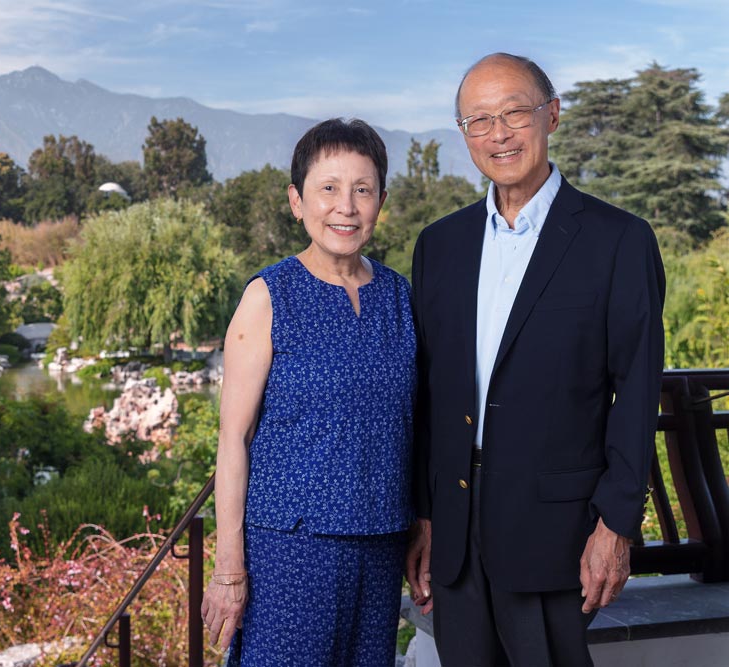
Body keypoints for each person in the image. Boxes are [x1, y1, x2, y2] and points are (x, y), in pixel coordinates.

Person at [406, 53, 666, 666]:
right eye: (479, 121)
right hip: (455, 537)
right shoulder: (439, 245)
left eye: (514, 113)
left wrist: (617, 525)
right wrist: (423, 513)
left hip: (557, 535)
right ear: (464, 135)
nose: (499, 134)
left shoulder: (618, 241)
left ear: (551, 115)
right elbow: (427, 392)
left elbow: (636, 392)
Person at [200, 118, 416, 666]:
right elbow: (233, 440)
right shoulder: (269, 296)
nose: (346, 206)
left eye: (362, 190)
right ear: (297, 201)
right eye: (328, 188)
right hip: (289, 552)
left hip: (382, 544)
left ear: (380, 201)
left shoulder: (401, 296)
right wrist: (228, 569)